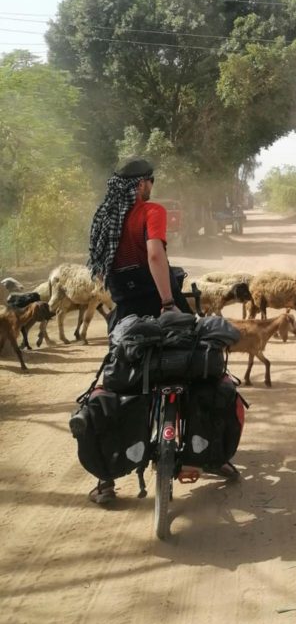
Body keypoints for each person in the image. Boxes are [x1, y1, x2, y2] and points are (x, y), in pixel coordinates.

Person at [85, 157, 191, 504]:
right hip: (158, 307)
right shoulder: (150, 211)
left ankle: (106, 480)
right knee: (191, 364)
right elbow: (155, 256)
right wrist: (167, 303)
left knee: (114, 382)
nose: (152, 187)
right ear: (142, 184)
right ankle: (198, 453)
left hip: (125, 315)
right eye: (151, 182)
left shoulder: (105, 220)